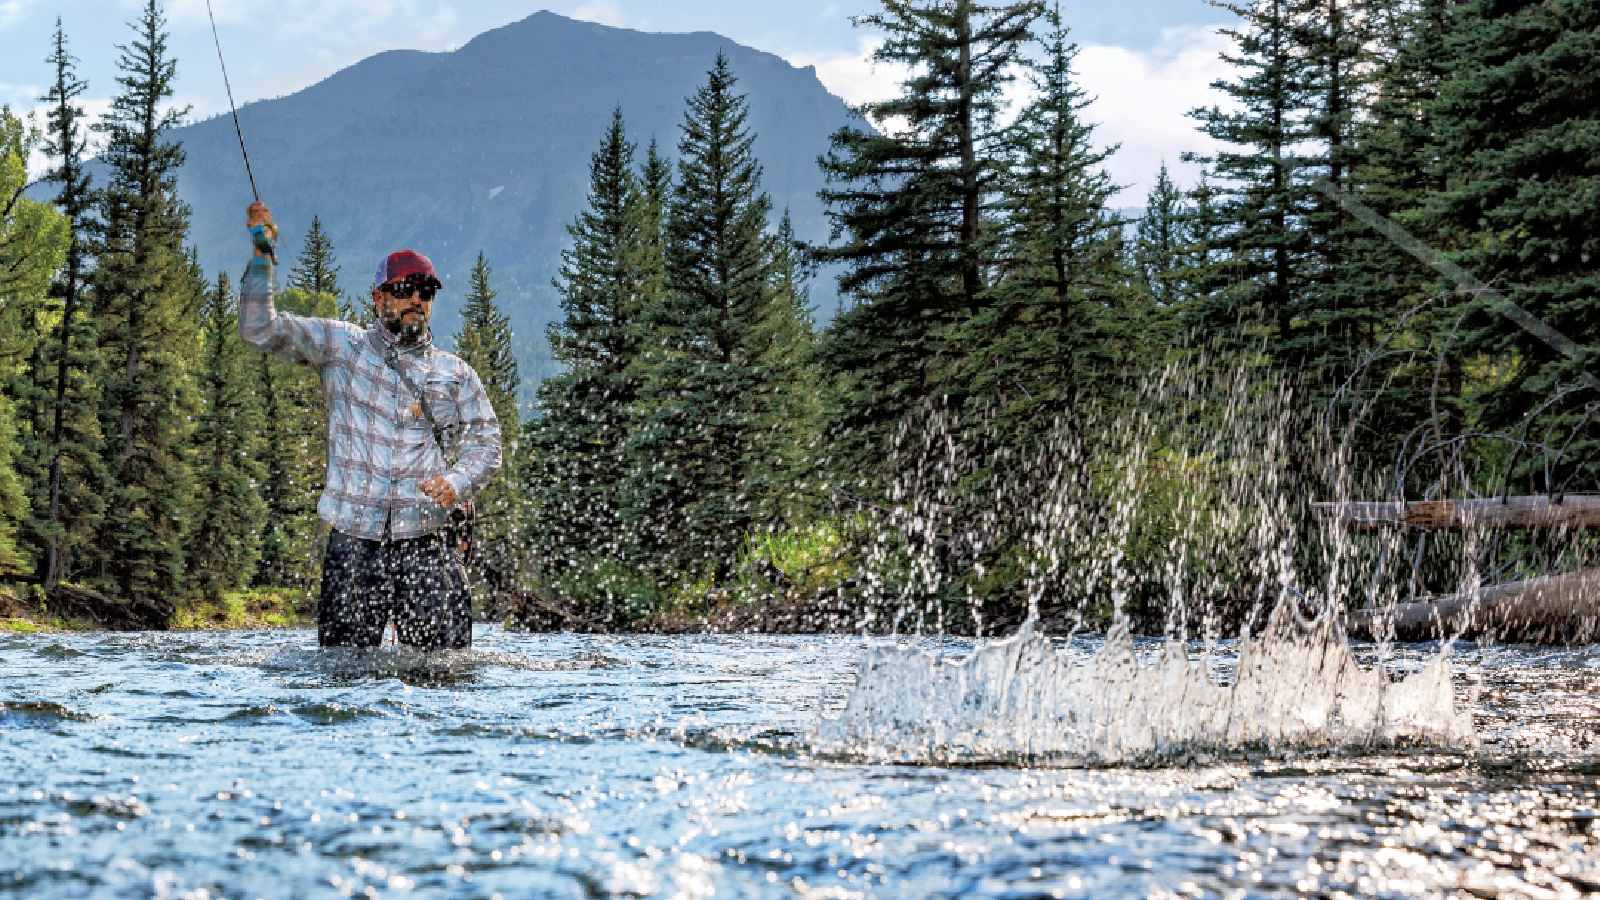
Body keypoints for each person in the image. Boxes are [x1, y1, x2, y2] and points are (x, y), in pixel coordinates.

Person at [239, 202, 502, 650]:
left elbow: (488, 444)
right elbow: (259, 329)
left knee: (443, 674)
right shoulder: (342, 347)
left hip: (427, 541)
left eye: (426, 291)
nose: (417, 299)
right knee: (342, 677)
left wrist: (457, 482)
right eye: (405, 289)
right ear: (379, 298)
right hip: (353, 543)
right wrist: (262, 258)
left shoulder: (455, 373)